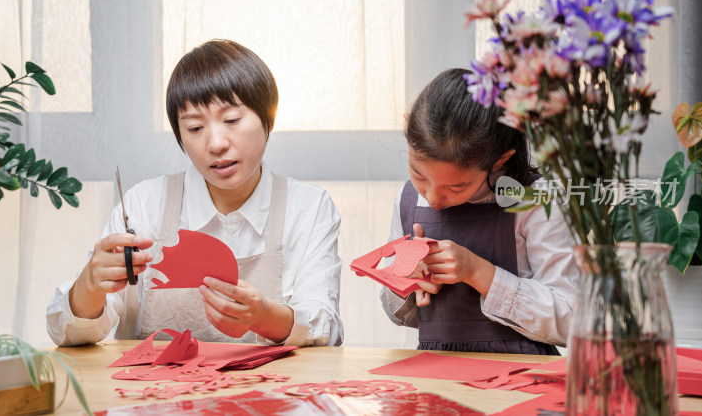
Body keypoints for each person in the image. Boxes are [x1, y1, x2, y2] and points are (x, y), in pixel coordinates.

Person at [47, 39, 343, 347]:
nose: (216, 144)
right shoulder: (144, 204)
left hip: (268, 393)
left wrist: (265, 316)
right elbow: (70, 336)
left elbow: (327, 330)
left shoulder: (309, 208)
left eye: (231, 120)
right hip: (154, 393)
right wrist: (90, 286)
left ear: (269, 118)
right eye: (195, 128)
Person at [380, 68, 579, 354]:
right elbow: (398, 313)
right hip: (437, 374)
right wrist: (406, 279)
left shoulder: (535, 199)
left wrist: (479, 273)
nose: (434, 198)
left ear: (500, 161)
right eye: (418, 175)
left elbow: (570, 319)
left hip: (519, 379)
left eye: (457, 187)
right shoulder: (409, 200)